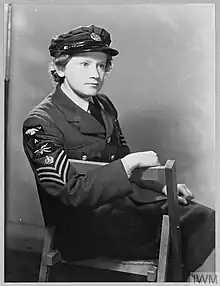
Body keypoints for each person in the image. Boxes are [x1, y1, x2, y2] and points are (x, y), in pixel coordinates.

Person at [22, 24, 215, 281]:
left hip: (119, 206)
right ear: (60, 68)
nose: (96, 74)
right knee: (181, 226)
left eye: (101, 65)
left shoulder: (103, 105)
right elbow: (70, 193)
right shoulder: (40, 122)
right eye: (85, 65)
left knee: (201, 217)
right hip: (82, 227)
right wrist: (130, 161)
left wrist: (160, 189)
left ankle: (175, 277)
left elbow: (119, 168)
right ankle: (174, 278)